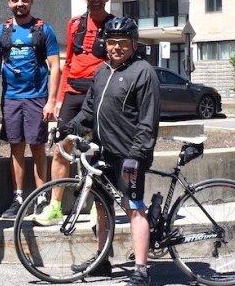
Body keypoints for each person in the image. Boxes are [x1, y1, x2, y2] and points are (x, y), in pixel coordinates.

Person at [60, 17, 160, 285]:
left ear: (134, 44)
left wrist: (137, 155)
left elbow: (148, 120)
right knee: (102, 208)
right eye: (111, 42)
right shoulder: (103, 71)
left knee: (134, 208)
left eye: (122, 42)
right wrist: (68, 127)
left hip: (130, 155)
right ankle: (102, 259)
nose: (116, 47)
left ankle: (141, 269)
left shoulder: (143, 72)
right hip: (103, 153)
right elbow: (89, 110)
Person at [35, 0, 114, 226]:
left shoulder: (115, 25)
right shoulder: (74, 24)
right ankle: (56, 206)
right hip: (73, 92)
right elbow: (67, 61)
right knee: (62, 148)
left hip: (101, 93)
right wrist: (59, 98)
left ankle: (98, 208)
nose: (95, 0)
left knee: (101, 152)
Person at [0, 0, 61, 219]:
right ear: (8, 3)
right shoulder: (2, 31)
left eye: (24, 0)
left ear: (31, 2)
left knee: (38, 147)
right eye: (15, 0)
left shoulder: (44, 29)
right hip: (11, 99)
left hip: (36, 97)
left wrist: (51, 101)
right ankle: (19, 197)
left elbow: (55, 66)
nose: (20, 4)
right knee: (16, 148)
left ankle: (41, 197)